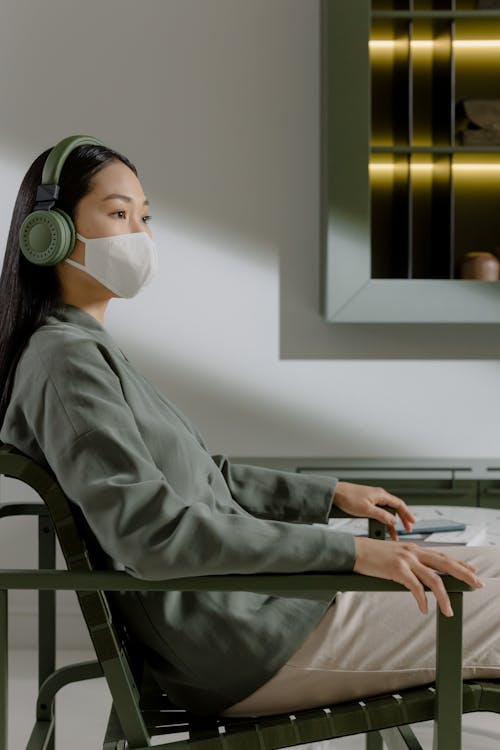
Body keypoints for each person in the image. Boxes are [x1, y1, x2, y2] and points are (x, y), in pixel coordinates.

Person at [0, 135, 497, 719]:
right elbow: (151, 532)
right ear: (48, 234)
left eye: (145, 216)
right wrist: (348, 553)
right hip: (249, 642)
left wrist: (331, 495)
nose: (141, 235)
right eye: (118, 214)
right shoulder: (65, 361)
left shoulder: (85, 348)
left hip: (265, 612)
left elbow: (204, 478)